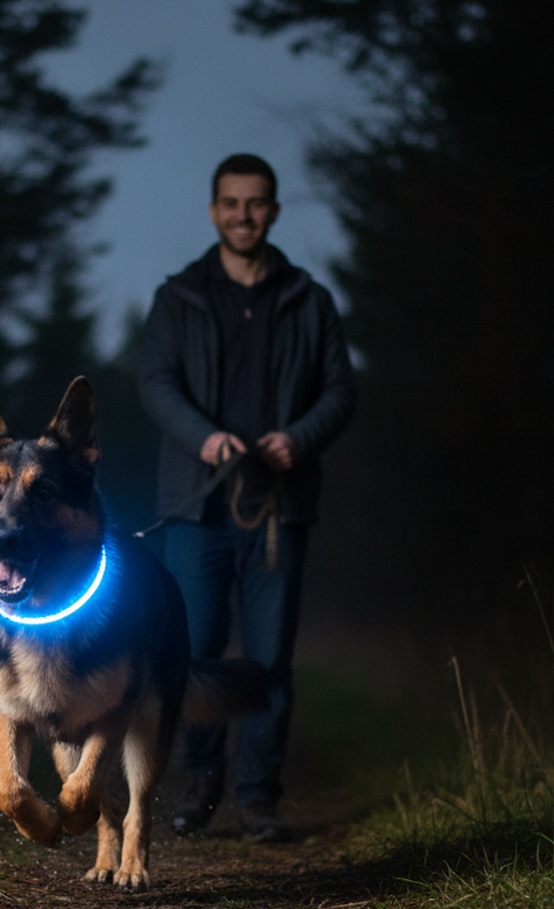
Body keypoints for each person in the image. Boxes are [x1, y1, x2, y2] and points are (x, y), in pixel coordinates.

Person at [137, 153, 357, 841]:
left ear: (274, 211)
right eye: (231, 203)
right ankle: (201, 782)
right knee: (193, 654)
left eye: (256, 203)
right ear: (213, 211)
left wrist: (301, 438)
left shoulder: (309, 300)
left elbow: (341, 391)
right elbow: (155, 383)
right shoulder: (178, 297)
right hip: (196, 508)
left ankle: (259, 796)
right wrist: (205, 439)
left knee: (269, 661)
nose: (243, 214)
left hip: (278, 510)